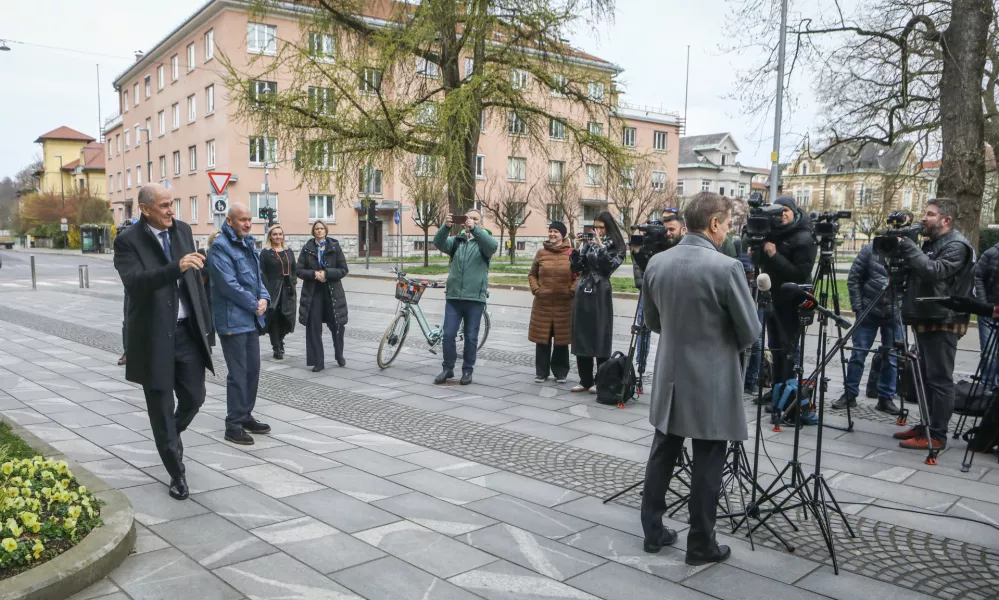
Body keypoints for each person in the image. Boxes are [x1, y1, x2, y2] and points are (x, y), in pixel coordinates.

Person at [640, 192, 761, 565]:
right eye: (726, 223)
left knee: (663, 451)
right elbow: (751, 331)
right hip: (711, 378)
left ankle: (653, 531)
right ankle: (700, 543)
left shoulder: (657, 262)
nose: (727, 231)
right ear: (713, 223)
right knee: (708, 460)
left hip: (671, 374)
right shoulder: (726, 268)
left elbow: (653, 322)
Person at [113, 183, 214, 500]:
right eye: (164, 205)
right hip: (153, 337)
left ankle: (169, 433)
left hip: (187, 333)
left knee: (195, 398)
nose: (172, 210)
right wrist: (176, 267)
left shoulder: (182, 230)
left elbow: (195, 285)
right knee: (160, 408)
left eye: (173, 203)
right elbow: (135, 283)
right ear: (145, 209)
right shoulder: (127, 241)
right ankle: (177, 474)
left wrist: (206, 327)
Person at [892, 198, 975, 450]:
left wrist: (909, 248)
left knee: (939, 379)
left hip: (944, 319)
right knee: (926, 377)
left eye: (930, 214)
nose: (924, 218)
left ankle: (937, 435)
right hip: (927, 315)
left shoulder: (957, 246)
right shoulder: (933, 243)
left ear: (945, 220)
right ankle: (926, 425)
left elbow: (935, 271)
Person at [208, 203, 271, 446]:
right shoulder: (220, 247)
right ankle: (232, 424)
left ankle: (245, 416)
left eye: (249, 219)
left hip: (249, 318)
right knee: (238, 373)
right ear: (230, 220)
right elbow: (228, 285)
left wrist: (264, 297)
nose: (247, 223)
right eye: (242, 219)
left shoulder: (248, 244)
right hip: (232, 319)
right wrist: (254, 303)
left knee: (252, 370)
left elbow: (257, 278)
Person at [754, 196, 817, 395]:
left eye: (786, 211)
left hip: (792, 301)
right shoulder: (771, 233)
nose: (782, 215)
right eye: (778, 211)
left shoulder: (804, 237)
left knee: (788, 348)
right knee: (774, 346)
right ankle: (777, 388)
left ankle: (788, 391)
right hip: (772, 298)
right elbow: (758, 262)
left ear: (794, 211)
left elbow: (800, 274)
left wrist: (775, 255)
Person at [833, 242, 903, 415]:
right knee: (858, 354)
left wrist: (904, 308)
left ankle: (886, 398)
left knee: (892, 357)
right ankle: (850, 394)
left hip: (894, 313)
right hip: (868, 310)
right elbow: (854, 277)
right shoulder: (870, 249)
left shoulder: (908, 251)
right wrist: (858, 307)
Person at [433, 209, 498, 385]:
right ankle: (448, 368)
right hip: (454, 297)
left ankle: (467, 371)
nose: (470, 221)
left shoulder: (485, 242)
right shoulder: (457, 241)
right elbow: (438, 243)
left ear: (481, 223)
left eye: (475, 219)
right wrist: (445, 227)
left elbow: (492, 247)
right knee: (448, 334)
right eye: (468, 218)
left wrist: (475, 230)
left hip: (475, 298)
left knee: (471, 336)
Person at [570, 211, 626, 392]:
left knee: (600, 333)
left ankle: (600, 379)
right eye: (596, 227)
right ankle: (585, 380)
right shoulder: (588, 244)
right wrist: (577, 248)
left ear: (609, 228)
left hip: (601, 288)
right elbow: (576, 268)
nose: (598, 231)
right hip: (583, 288)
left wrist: (601, 247)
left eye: (602, 227)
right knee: (581, 332)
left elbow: (610, 266)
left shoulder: (617, 246)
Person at [297, 221, 349, 372]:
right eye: (316, 229)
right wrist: (314, 274)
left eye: (321, 228)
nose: (319, 231)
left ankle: (339, 355)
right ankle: (318, 361)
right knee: (313, 327)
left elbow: (343, 269)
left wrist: (327, 273)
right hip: (313, 292)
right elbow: (299, 270)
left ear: (326, 231)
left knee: (337, 325)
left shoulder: (334, 247)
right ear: (313, 232)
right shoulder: (307, 248)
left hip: (332, 291)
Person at [528, 221, 575, 383]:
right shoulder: (541, 253)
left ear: (563, 234)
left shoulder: (571, 252)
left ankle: (561, 372)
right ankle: (541, 372)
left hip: (564, 304)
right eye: (550, 231)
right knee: (543, 338)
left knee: (562, 341)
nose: (552, 234)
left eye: (556, 231)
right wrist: (536, 290)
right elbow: (532, 275)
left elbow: (580, 274)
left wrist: (571, 290)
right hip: (543, 303)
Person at [260, 226, 297, 360]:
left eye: (280, 234)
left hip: (288, 289)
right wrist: (265, 289)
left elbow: (294, 269)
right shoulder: (266, 252)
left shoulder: (289, 251)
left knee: (287, 317)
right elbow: (262, 272)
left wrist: (293, 281)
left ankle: (281, 339)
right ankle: (277, 346)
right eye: (275, 234)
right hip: (273, 289)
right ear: (270, 236)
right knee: (274, 318)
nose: (278, 237)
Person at [974, 237, 999, 385]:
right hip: (989, 311)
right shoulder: (991, 254)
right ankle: (988, 387)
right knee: (989, 352)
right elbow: (977, 277)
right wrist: (984, 305)